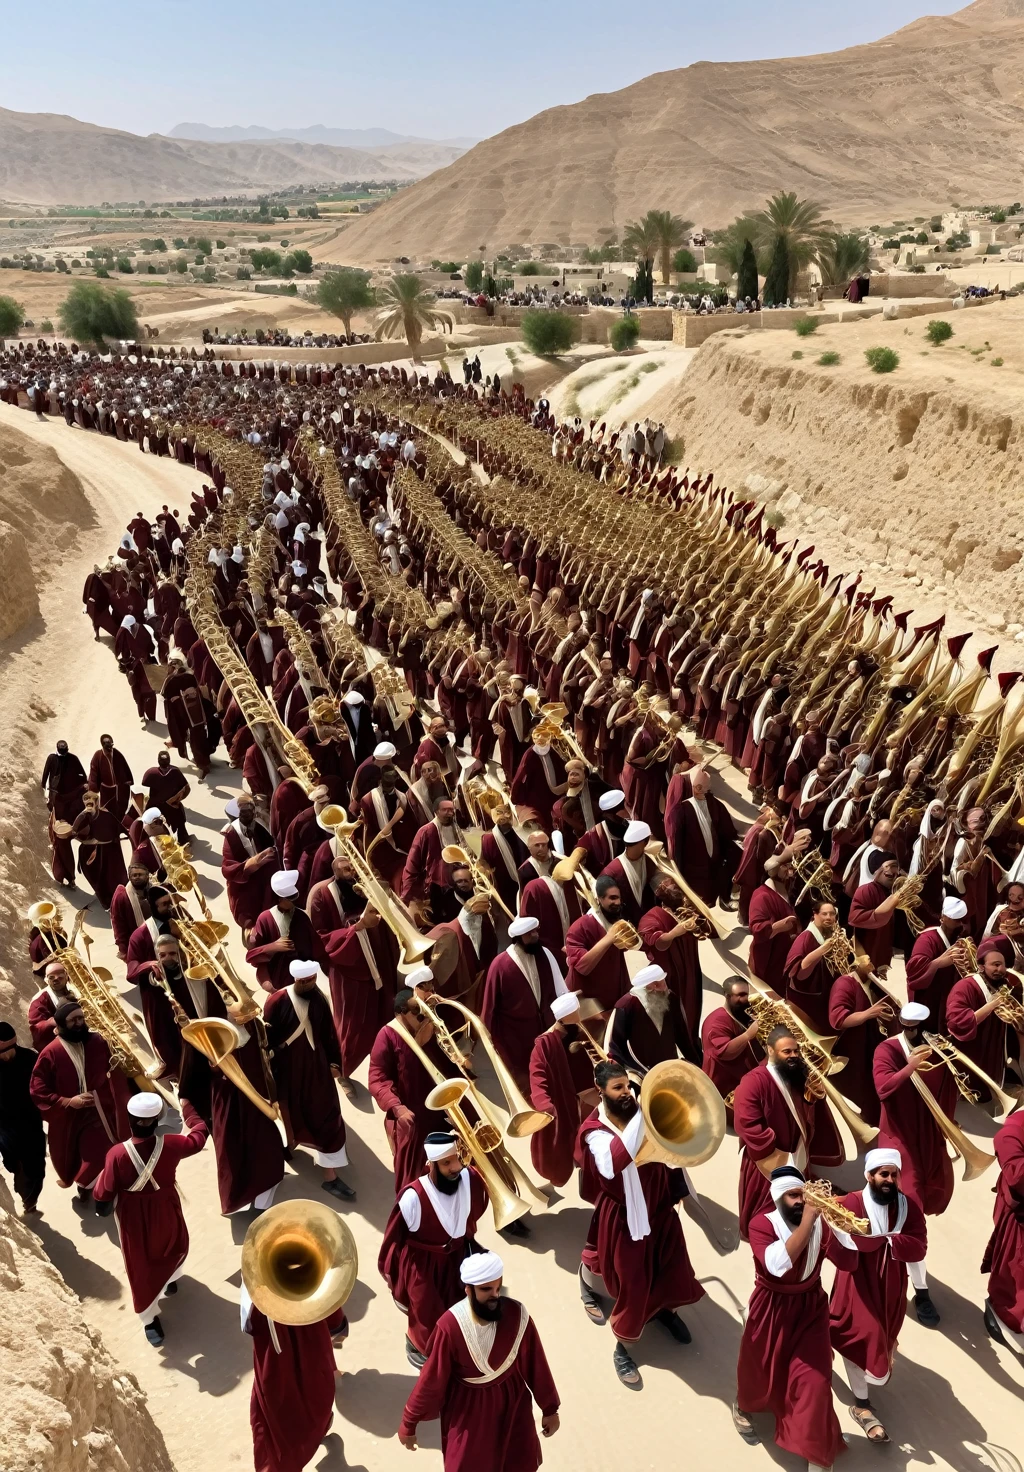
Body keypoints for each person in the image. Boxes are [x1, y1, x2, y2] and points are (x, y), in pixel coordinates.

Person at [576, 1060, 703, 1386]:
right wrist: (644, 1117)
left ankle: (664, 1311)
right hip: (624, 1217)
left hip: (660, 1209)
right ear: (600, 1091)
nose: (626, 1093)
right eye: (618, 1087)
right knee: (631, 1282)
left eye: (629, 1086)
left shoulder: (644, 1115)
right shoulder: (594, 1131)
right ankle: (623, 1345)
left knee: (670, 1267)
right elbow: (612, 1163)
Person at [733, 1166, 860, 1469]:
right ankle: (742, 1405)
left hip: (811, 1309)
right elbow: (778, 1265)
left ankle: (817, 1458)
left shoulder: (818, 1223)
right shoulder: (761, 1225)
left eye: (804, 1195)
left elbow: (849, 1263)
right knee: (760, 1371)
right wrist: (810, 1221)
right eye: (794, 1196)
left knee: (815, 1381)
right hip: (771, 1307)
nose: (802, 1201)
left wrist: (844, 1230)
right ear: (778, 1198)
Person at [397, 1251, 560, 1470]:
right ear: (468, 1290)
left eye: (497, 1288)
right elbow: (432, 1380)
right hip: (469, 1410)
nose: (494, 1295)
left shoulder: (517, 1314)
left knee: (516, 1460)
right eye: (485, 1290)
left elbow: (536, 1364)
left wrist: (550, 1408)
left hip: (512, 1404)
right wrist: (409, 1421)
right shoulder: (450, 1326)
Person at [92, 1092, 209, 1346]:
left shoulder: (116, 1154)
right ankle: (171, 1279)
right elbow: (198, 1138)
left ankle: (150, 1319)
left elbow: (103, 1193)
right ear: (157, 1121)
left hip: (133, 1217)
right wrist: (189, 1109)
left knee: (141, 1263)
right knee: (173, 1243)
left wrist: (101, 1204)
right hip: (166, 1207)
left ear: (129, 1119)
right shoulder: (172, 1144)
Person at [828, 1148, 928, 1443]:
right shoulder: (851, 1203)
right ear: (868, 1175)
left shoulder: (908, 1206)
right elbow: (835, 1240)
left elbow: (918, 1244)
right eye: (883, 1174)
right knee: (861, 1336)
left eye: (894, 1174)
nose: (889, 1179)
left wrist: (885, 1241)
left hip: (892, 1286)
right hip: (857, 1282)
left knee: (883, 1335)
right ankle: (862, 1406)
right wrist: (872, 1240)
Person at [378, 1131, 489, 1367]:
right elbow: (393, 1240)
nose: (455, 1167)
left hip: (459, 1257)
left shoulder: (468, 1178)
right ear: (431, 1165)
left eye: (456, 1158)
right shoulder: (413, 1197)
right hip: (424, 1265)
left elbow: (477, 1208)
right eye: (446, 1163)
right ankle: (420, 1348)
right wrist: (397, 1274)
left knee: (461, 1306)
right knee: (426, 1314)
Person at [872, 1002, 951, 1326]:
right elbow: (883, 1088)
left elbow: (947, 1089)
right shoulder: (887, 1050)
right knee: (912, 1217)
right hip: (898, 1141)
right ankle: (921, 1291)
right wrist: (910, 1066)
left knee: (908, 1215)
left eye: (914, 1025)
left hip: (926, 1136)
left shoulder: (934, 1047)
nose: (909, 1028)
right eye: (905, 1024)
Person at [732, 1025, 842, 1239]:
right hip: (769, 1159)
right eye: (787, 1052)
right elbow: (747, 1124)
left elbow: (802, 1105)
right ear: (771, 1050)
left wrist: (811, 1097)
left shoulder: (794, 1074)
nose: (793, 1056)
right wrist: (777, 1151)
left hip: (796, 1150)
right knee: (767, 1211)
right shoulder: (752, 1082)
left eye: (795, 1051)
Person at [262, 959, 355, 1202]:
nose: (309, 984)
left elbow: (329, 1033)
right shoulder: (277, 1001)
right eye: (304, 981)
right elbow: (266, 1040)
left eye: (312, 980)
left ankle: (330, 1176)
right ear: (296, 980)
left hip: (316, 1069)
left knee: (327, 1115)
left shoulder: (319, 997)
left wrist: (335, 1063)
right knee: (288, 1114)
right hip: (288, 1070)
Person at [29, 999, 129, 1207]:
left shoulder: (98, 1041)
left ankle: (103, 1188)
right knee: (86, 1157)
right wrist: (67, 1101)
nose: (78, 1023)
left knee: (109, 1148)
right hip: (71, 1116)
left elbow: (113, 1068)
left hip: (102, 1110)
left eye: (81, 1018)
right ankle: (85, 1185)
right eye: (73, 1020)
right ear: (61, 1025)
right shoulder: (51, 1053)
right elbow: (38, 1088)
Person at [243, 1277, 348, 1472]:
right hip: (282, 1347)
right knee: (287, 1408)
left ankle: (310, 1440)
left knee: (294, 1402)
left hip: (289, 1342)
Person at [368, 982, 452, 1190]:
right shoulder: (387, 1035)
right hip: (411, 1119)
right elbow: (377, 1079)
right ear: (400, 1013)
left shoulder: (431, 1030)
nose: (422, 1016)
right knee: (412, 1180)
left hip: (441, 1112)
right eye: (416, 1012)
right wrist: (398, 1108)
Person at [480, 915, 566, 1088]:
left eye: (535, 931)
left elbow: (560, 990)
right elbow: (489, 1008)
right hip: (515, 1038)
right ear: (518, 939)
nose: (535, 936)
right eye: (529, 934)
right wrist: (488, 1040)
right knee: (525, 1082)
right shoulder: (500, 965)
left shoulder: (545, 954)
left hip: (545, 1030)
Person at [528, 992, 599, 1187]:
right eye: (576, 1010)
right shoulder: (544, 1045)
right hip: (562, 1105)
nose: (580, 1012)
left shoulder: (578, 1031)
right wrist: (545, 1105)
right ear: (568, 1016)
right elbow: (537, 1075)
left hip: (585, 1098)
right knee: (563, 1149)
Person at [946, 941, 1023, 1098]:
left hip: (995, 1050)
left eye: (1002, 965)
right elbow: (957, 1021)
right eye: (995, 965)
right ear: (981, 966)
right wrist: (993, 1004)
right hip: (974, 1050)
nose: (1000, 970)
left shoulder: (1003, 985)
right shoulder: (965, 987)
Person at [637, 877, 704, 1042]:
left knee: (694, 1005)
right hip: (671, 974)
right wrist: (675, 932)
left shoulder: (685, 910)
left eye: (678, 889)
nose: (678, 892)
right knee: (677, 1012)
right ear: (660, 893)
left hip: (691, 966)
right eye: (672, 889)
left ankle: (692, 1038)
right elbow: (656, 942)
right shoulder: (651, 917)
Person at [666, 765, 738, 909]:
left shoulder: (712, 803)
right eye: (702, 788)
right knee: (696, 901)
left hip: (713, 860)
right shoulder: (682, 810)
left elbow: (725, 829)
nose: (706, 792)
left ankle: (721, 898)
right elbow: (676, 843)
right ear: (695, 788)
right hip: (693, 864)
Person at [982, 1106, 1024, 1354]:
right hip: (1018, 1219)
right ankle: (1000, 1317)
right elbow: (1016, 1174)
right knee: (1012, 1275)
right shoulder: (1014, 1128)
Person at [245, 869, 327, 993]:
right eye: (289, 899)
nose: (293, 902)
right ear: (279, 899)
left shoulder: (301, 916)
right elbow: (252, 955)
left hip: (301, 973)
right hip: (277, 975)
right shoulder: (265, 918)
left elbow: (315, 947)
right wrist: (274, 947)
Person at [608, 963, 697, 1074]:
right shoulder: (626, 1005)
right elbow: (616, 1045)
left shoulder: (671, 998)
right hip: (643, 1071)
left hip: (671, 1067)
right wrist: (621, 1074)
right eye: (663, 983)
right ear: (652, 986)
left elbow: (682, 1036)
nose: (666, 987)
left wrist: (695, 1064)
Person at [564, 875, 633, 1009]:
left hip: (614, 995)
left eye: (619, 897)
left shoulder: (618, 920)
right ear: (599, 899)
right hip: (589, 1003)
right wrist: (609, 938)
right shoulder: (580, 927)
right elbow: (581, 967)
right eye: (612, 898)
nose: (618, 902)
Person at [905, 896, 970, 1034]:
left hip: (948, 992)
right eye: (955, 919)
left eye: (961, 919)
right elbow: (913, 971)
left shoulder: (959, 936)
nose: (959, 923)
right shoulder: (927, 939)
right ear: (943, 917)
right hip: (929, 994)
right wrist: (939, 963)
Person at [0, 1022, 45, 1214]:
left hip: (31, 1123)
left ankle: (30, 1199)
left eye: (12, 1048)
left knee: (36, 1166)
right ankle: (22, 1189)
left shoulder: (30, 1058)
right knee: (14, 1164)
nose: (9, 1054)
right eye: (4, 1050)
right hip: (5, 1127)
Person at [701, 976, 763, 1109]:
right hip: (723, 1086)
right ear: (728, 996)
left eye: (747, 994)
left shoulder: (740, 1013)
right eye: (740, 995)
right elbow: (724, 1052)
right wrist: (748, 1034)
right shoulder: (716, 1022)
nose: (746, 999)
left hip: (742, 1076)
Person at [221, 794, 279, 937]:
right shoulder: (232, 835)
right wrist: (251, 864)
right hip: (245, 884)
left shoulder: (260, 824)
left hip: (267, 877)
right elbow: (228, 868)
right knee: (249, 916)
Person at [783, 898, 840, 1035]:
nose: (829, 917)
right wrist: (823, 949)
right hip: (806, 997)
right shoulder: (805, 938)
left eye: (832, 914)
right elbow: (797, 971)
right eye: (824, 914)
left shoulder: (828, 932)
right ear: (815, 915)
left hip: (822, 991)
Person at [748, 856, 798, 991]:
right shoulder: (762, 895)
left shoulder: (788, 888)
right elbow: (756, 929)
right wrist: (777, 927)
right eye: (785, 866)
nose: (789, 869)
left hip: (786, 954)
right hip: (769, 958)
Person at [849, 851, 901, 974]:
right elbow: (855, 918)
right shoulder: (865, 890)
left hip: (883, 949)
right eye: (889, 875)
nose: (894, 877)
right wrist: (881, 912)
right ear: (877, 871)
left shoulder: (890, 891)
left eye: (896, 874)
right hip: (866, 951)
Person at [110, 862, 154, 959]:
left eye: (140, 875)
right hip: (138, 943)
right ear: (129, 877)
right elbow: (118, 923)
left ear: (147, 876)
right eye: (134, 875)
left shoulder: (154, 890)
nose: (137, 877)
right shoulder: (122, 896)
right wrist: (123, 949)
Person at [87, 733, 134, 827]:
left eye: (111, 747)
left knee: (121, 807)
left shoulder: (117, 754)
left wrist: (128, 780)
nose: (109, 751)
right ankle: (109, 825)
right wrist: (93, 788)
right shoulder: (97, 756)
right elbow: (93, 772)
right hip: (106, 789)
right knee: (107, 809)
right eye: (107, 748)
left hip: (119, 787)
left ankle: (119, 824)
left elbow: (125, 767)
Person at [28, 960, 75, 1050]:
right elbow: (37, 1029)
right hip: (58, 1044)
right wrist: (55, 1021)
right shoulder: (39, 1000)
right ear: (46, 980)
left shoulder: (75, 991)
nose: (56, 979)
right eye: (51, 977)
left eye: (60, 976)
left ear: (66, 976)